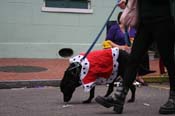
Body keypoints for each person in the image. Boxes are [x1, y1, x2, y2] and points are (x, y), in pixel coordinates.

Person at [95, 0, 175, 114]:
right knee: (133, 59)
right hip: (144, 23)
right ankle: (119, 98)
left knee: (168, 60)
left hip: (163, 20)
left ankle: (173, 98)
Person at [106, 11, 155, 86]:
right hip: (118, 49)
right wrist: (121, 47)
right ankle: (126, 76)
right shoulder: (114, 28)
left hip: (130, 48)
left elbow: (136, 40)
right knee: (126, 55)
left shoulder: (132, 29)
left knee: (143, 53)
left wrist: (133, 46)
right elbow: (107, 41)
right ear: (121, 19)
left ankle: (139, 75)